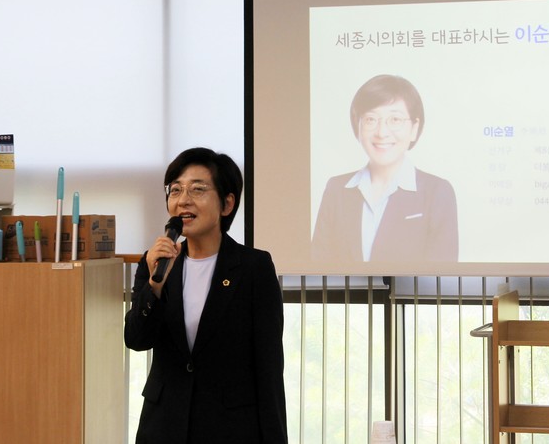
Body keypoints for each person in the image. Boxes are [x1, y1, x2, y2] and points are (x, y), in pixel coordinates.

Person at [125, 147, 288, 444]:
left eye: (197, 189)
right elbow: (136, 339)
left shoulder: (253, 267)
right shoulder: (154, 262)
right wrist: (154, 287)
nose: (183, 200)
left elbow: (269, 368)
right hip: (163, 427)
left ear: (227, 204)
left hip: (229, 428)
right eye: (176, 190)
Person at [312, 74, 458, 263]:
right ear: (358, 126)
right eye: (371, 119)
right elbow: (319, 263)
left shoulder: (437, 192)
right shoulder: (337, 189)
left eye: (395, 119)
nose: (381, 132)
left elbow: (442, 272)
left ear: (414, 128)